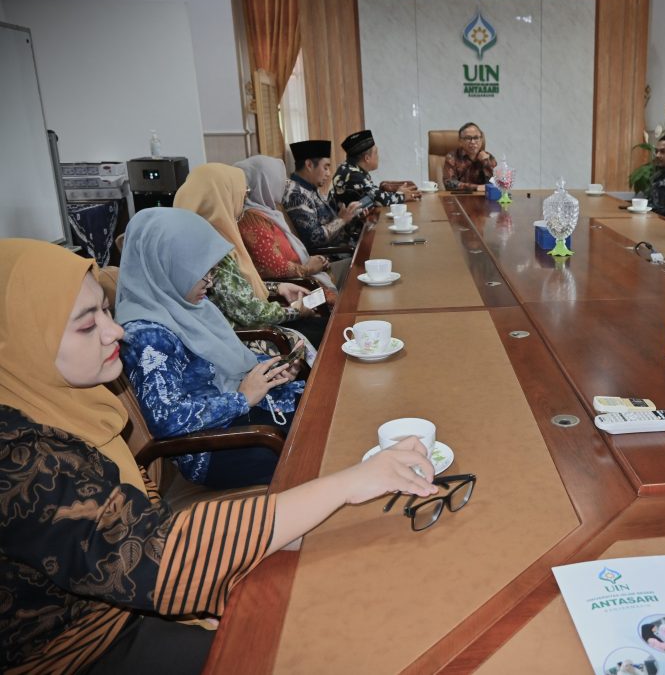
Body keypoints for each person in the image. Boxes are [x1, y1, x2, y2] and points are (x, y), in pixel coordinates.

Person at [0, 237, 437, 674]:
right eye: (85, 325)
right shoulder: (17, 460)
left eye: (105, 312)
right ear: (17, 341)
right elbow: (147, 556)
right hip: (82, 648)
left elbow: (128, 529)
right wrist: (349, 483)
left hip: (131, 598)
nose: (115, 331)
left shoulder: (62, 401)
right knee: (307, 649)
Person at [117, 208, 305, 488]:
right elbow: (167, 420)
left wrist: (270, 367)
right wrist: (242, 398)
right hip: (214, 447)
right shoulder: (147, 335)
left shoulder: (191, 304)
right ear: (166, 264)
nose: (210, 281)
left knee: (324, 407)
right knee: (316, 442)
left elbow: (223, 360)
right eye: (201, 272)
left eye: (212, 270)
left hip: (242, 416)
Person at [174, 163, 327, 350]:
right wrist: (295, 311)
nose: (243, 199)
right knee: (329, 335)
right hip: (246, 341)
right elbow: (249, 312)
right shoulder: (211, 249)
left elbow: (236, 288)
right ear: (222, 198)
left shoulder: (207, 235)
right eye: (240, 193)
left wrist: (277, 288)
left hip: (253, 329)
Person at [234, 154, 344, 295]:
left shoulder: (270, 211)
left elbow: (290, 252)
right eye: (278, 179)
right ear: (264, 182)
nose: (283, 183)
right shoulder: (252, 219)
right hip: (299, 288)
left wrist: (313, 261)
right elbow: (275, 268)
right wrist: (309, 268)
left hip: (309, 273)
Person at [282, 139, 362, 253]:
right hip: (332, 257)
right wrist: (342, 220)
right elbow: (313, 239)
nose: (329, 173)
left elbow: (328, 220)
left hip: (343, 248)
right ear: (309, 165)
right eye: (325, 167)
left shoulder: (310, 187)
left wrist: (349, 214)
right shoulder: (296, 194)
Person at [330, 129, 420, 210]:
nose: (378, 157)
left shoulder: (351, 168)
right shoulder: (353, 175)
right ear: (367, 158)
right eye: (376, 153)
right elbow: (378, 200)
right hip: (351, 227)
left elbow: (372, 193)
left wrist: (399, 193)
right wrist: (402, 195)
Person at [443, 122, 497, 191]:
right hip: (459, 198)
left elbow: (496, 183)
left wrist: (485, 162)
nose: (473, 142)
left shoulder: (489, 157)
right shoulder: (452, 157)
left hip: (482, 198)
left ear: (481, 140)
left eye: (476, 137)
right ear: (460, 141)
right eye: (468, 138)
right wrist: (476, 188)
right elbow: (449, 183)